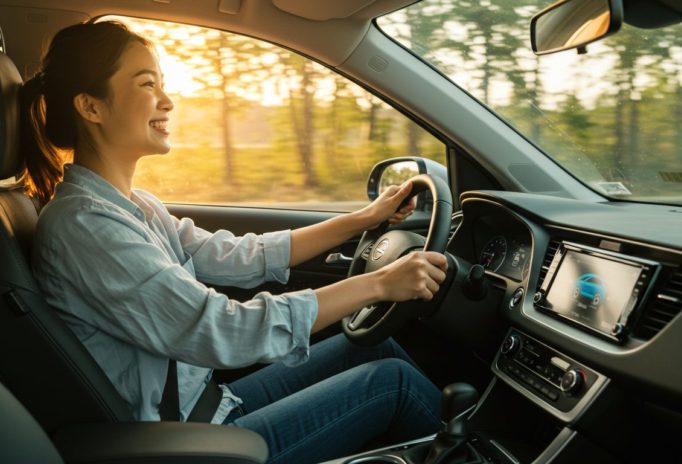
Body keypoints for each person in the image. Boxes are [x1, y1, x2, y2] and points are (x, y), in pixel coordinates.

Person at [23, 20, 449, 464]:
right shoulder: (87, 226)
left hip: (207, 408)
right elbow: (221, 329)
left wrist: (362, 218)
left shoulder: (134, 206)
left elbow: (238, 255)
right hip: (182, 443)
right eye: (148, 84)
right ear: (91, 107)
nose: (167, 101)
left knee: (372, 346)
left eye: (163, 84)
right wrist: (378, 285)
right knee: (391, 384)